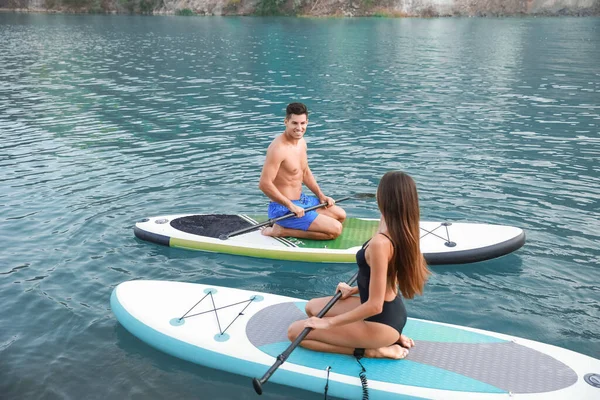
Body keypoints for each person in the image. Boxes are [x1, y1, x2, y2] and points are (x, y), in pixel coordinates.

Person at [287, 171, 430, 359]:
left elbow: (375, 306)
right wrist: (353, 290)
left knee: (295, 332)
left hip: (380, 322)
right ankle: (391, 336)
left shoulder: (381, 243)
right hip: (391, 313)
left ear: (383, 197)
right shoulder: (398, 229)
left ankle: (374, 350)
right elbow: (386, 280)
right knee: (312, 308)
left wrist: (329, 324)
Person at [258, 102, 346, 240]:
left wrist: (321, 195)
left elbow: (304, 171)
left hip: (303, 201)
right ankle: (281, 231)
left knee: (341, 216)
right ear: (286, 122)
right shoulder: (278, 149)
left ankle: (304, 222)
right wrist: (290, 205)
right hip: (284, 208)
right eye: (294, 123)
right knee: (335, 230)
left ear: (307, 122)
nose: (299, 128)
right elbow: (264, 184)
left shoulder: (301, 142)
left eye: (302, 123)